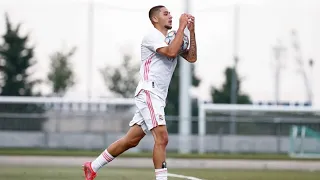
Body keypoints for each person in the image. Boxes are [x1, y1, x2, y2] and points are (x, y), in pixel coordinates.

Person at [83, 5, 197, 180]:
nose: (171, 16)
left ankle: (93, 166)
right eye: (165, 14)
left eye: (171, 14)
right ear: (155, 19)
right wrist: (182, 27)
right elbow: (171, 52)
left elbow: (191, 57)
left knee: (131, 140)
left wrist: (191, 30)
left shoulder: (171, 38)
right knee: (162, 138)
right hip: (149, 92)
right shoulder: (152, 36)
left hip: (157, 96)